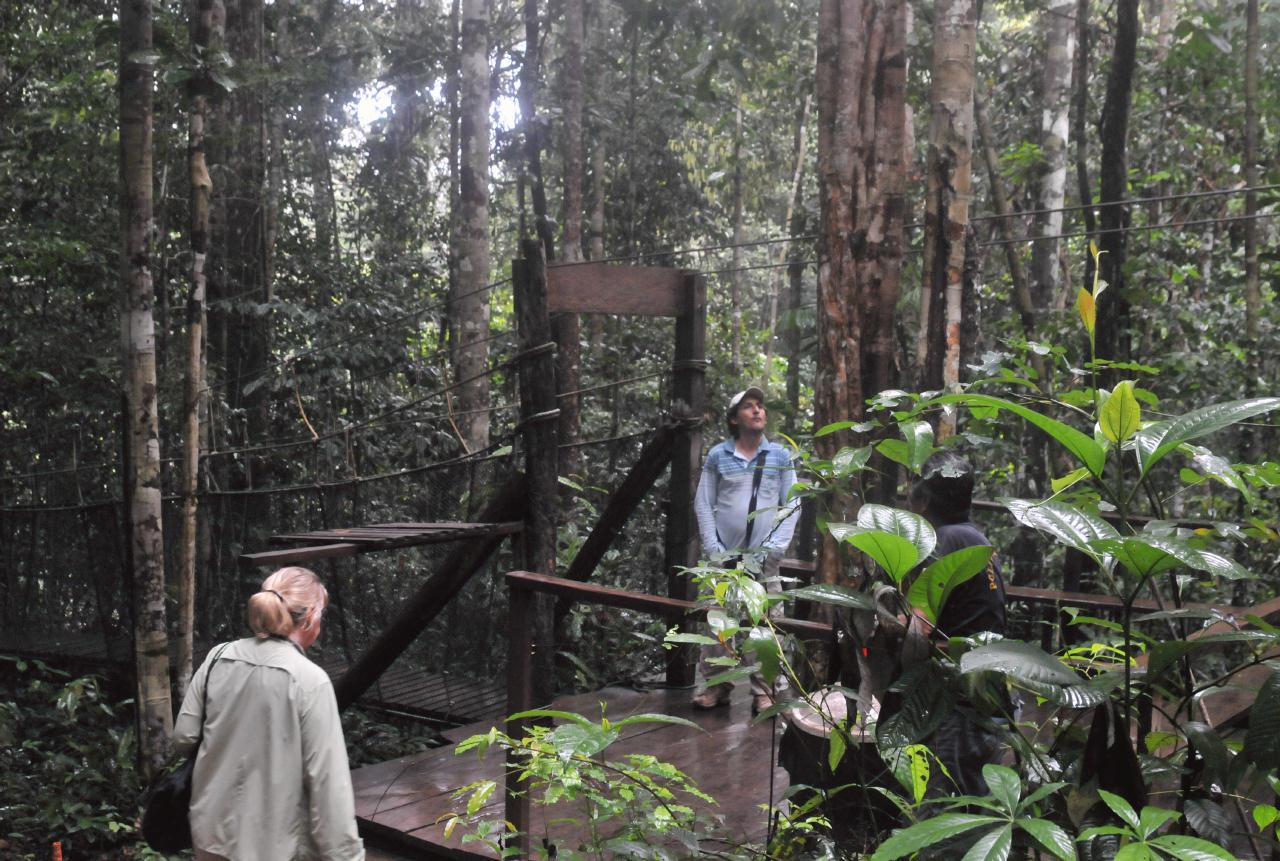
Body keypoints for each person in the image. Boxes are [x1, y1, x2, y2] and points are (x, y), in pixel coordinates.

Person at [173, 566, 366, 861]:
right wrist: (347, 856)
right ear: (311, 617)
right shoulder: (310, 681)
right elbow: (328, 784)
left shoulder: (218, 657)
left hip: (209, 835)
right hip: (271, 847)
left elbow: (185, 737)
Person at [906, 451, 1010, 801]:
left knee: (941, 810)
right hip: (989, 694)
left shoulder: (941, 544)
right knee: (975, 805)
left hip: (957, 699)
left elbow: (917, 630)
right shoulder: (977, 541)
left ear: (923, 498)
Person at [692, 386, 800, 714]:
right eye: (748, 407)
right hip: (724, 558)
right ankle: (716, 686)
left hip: (764, 560)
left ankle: (764, 691)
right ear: (734, 418)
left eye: (760, 406)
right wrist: (713, 548)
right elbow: (704, 503)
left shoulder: (780, 456)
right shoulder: (718, 456)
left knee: (765, 625)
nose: (757, 411)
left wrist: (774, 550)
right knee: (719, 623)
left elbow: (793, 503)